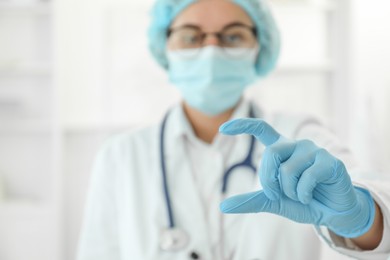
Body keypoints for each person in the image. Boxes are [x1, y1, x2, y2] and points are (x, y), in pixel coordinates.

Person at [77, 0, 390, 259]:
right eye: (191, 36)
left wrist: (362, 218)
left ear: (259, 48)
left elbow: (365, 189)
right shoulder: (120, 156)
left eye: (233, 36)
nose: (211, 50)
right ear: (165, 48)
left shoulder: (299, 134)